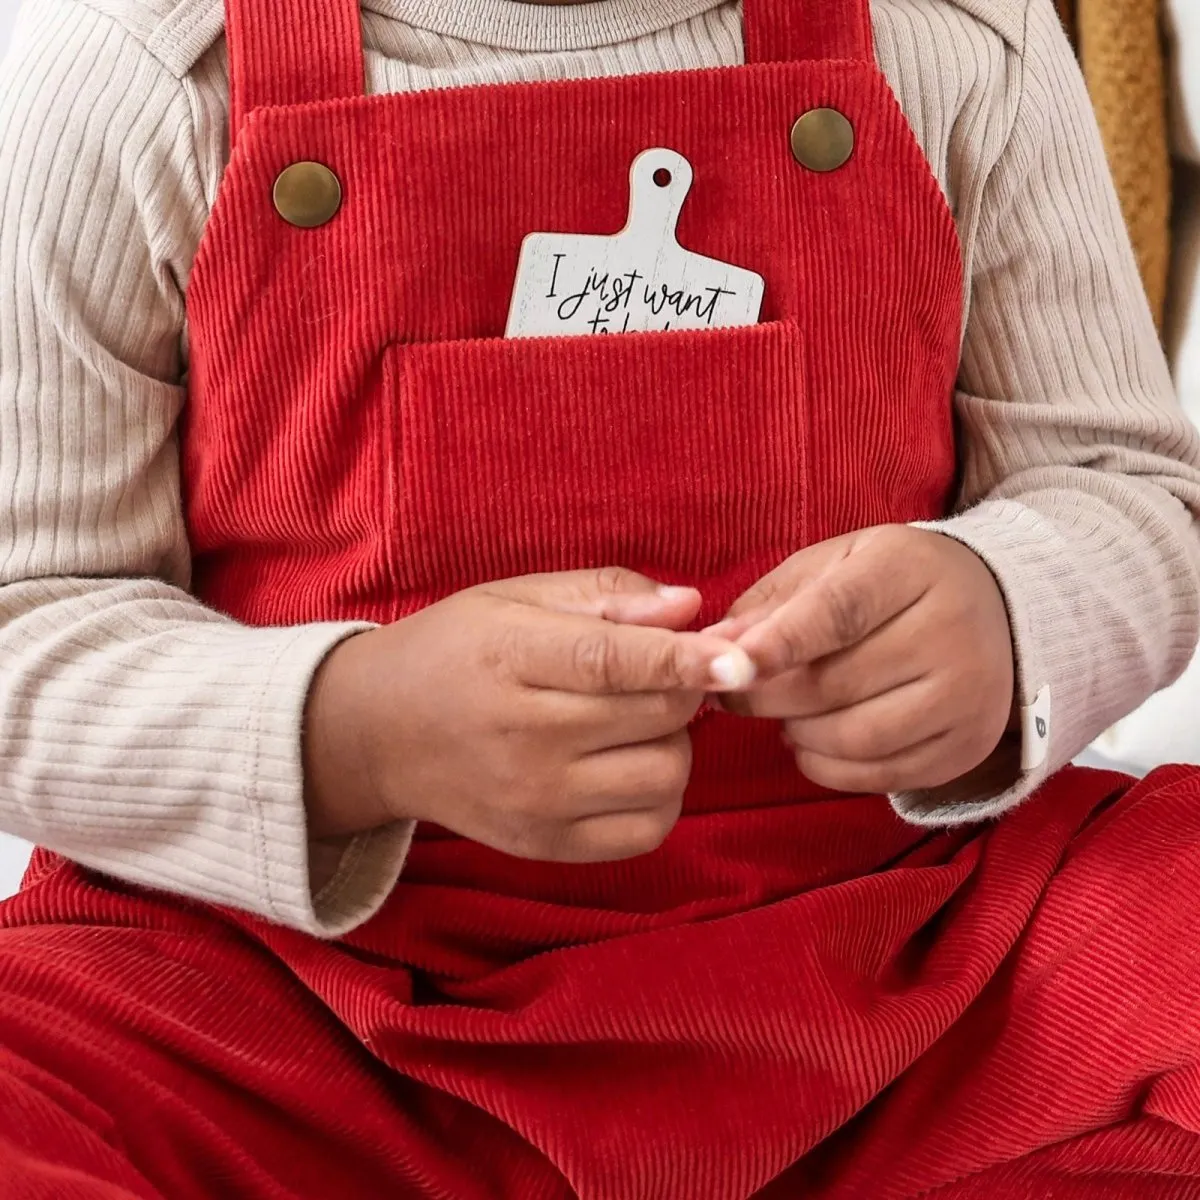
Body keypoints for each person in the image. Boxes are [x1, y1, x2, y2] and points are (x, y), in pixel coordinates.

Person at [1, 0, 1199, 1194]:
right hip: (285, 1008)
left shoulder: (959, 40)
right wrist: (354, 728)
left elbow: (1129, 490)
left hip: (913, 964)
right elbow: (27, 622)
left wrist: (1008, 608)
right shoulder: (140, 73)